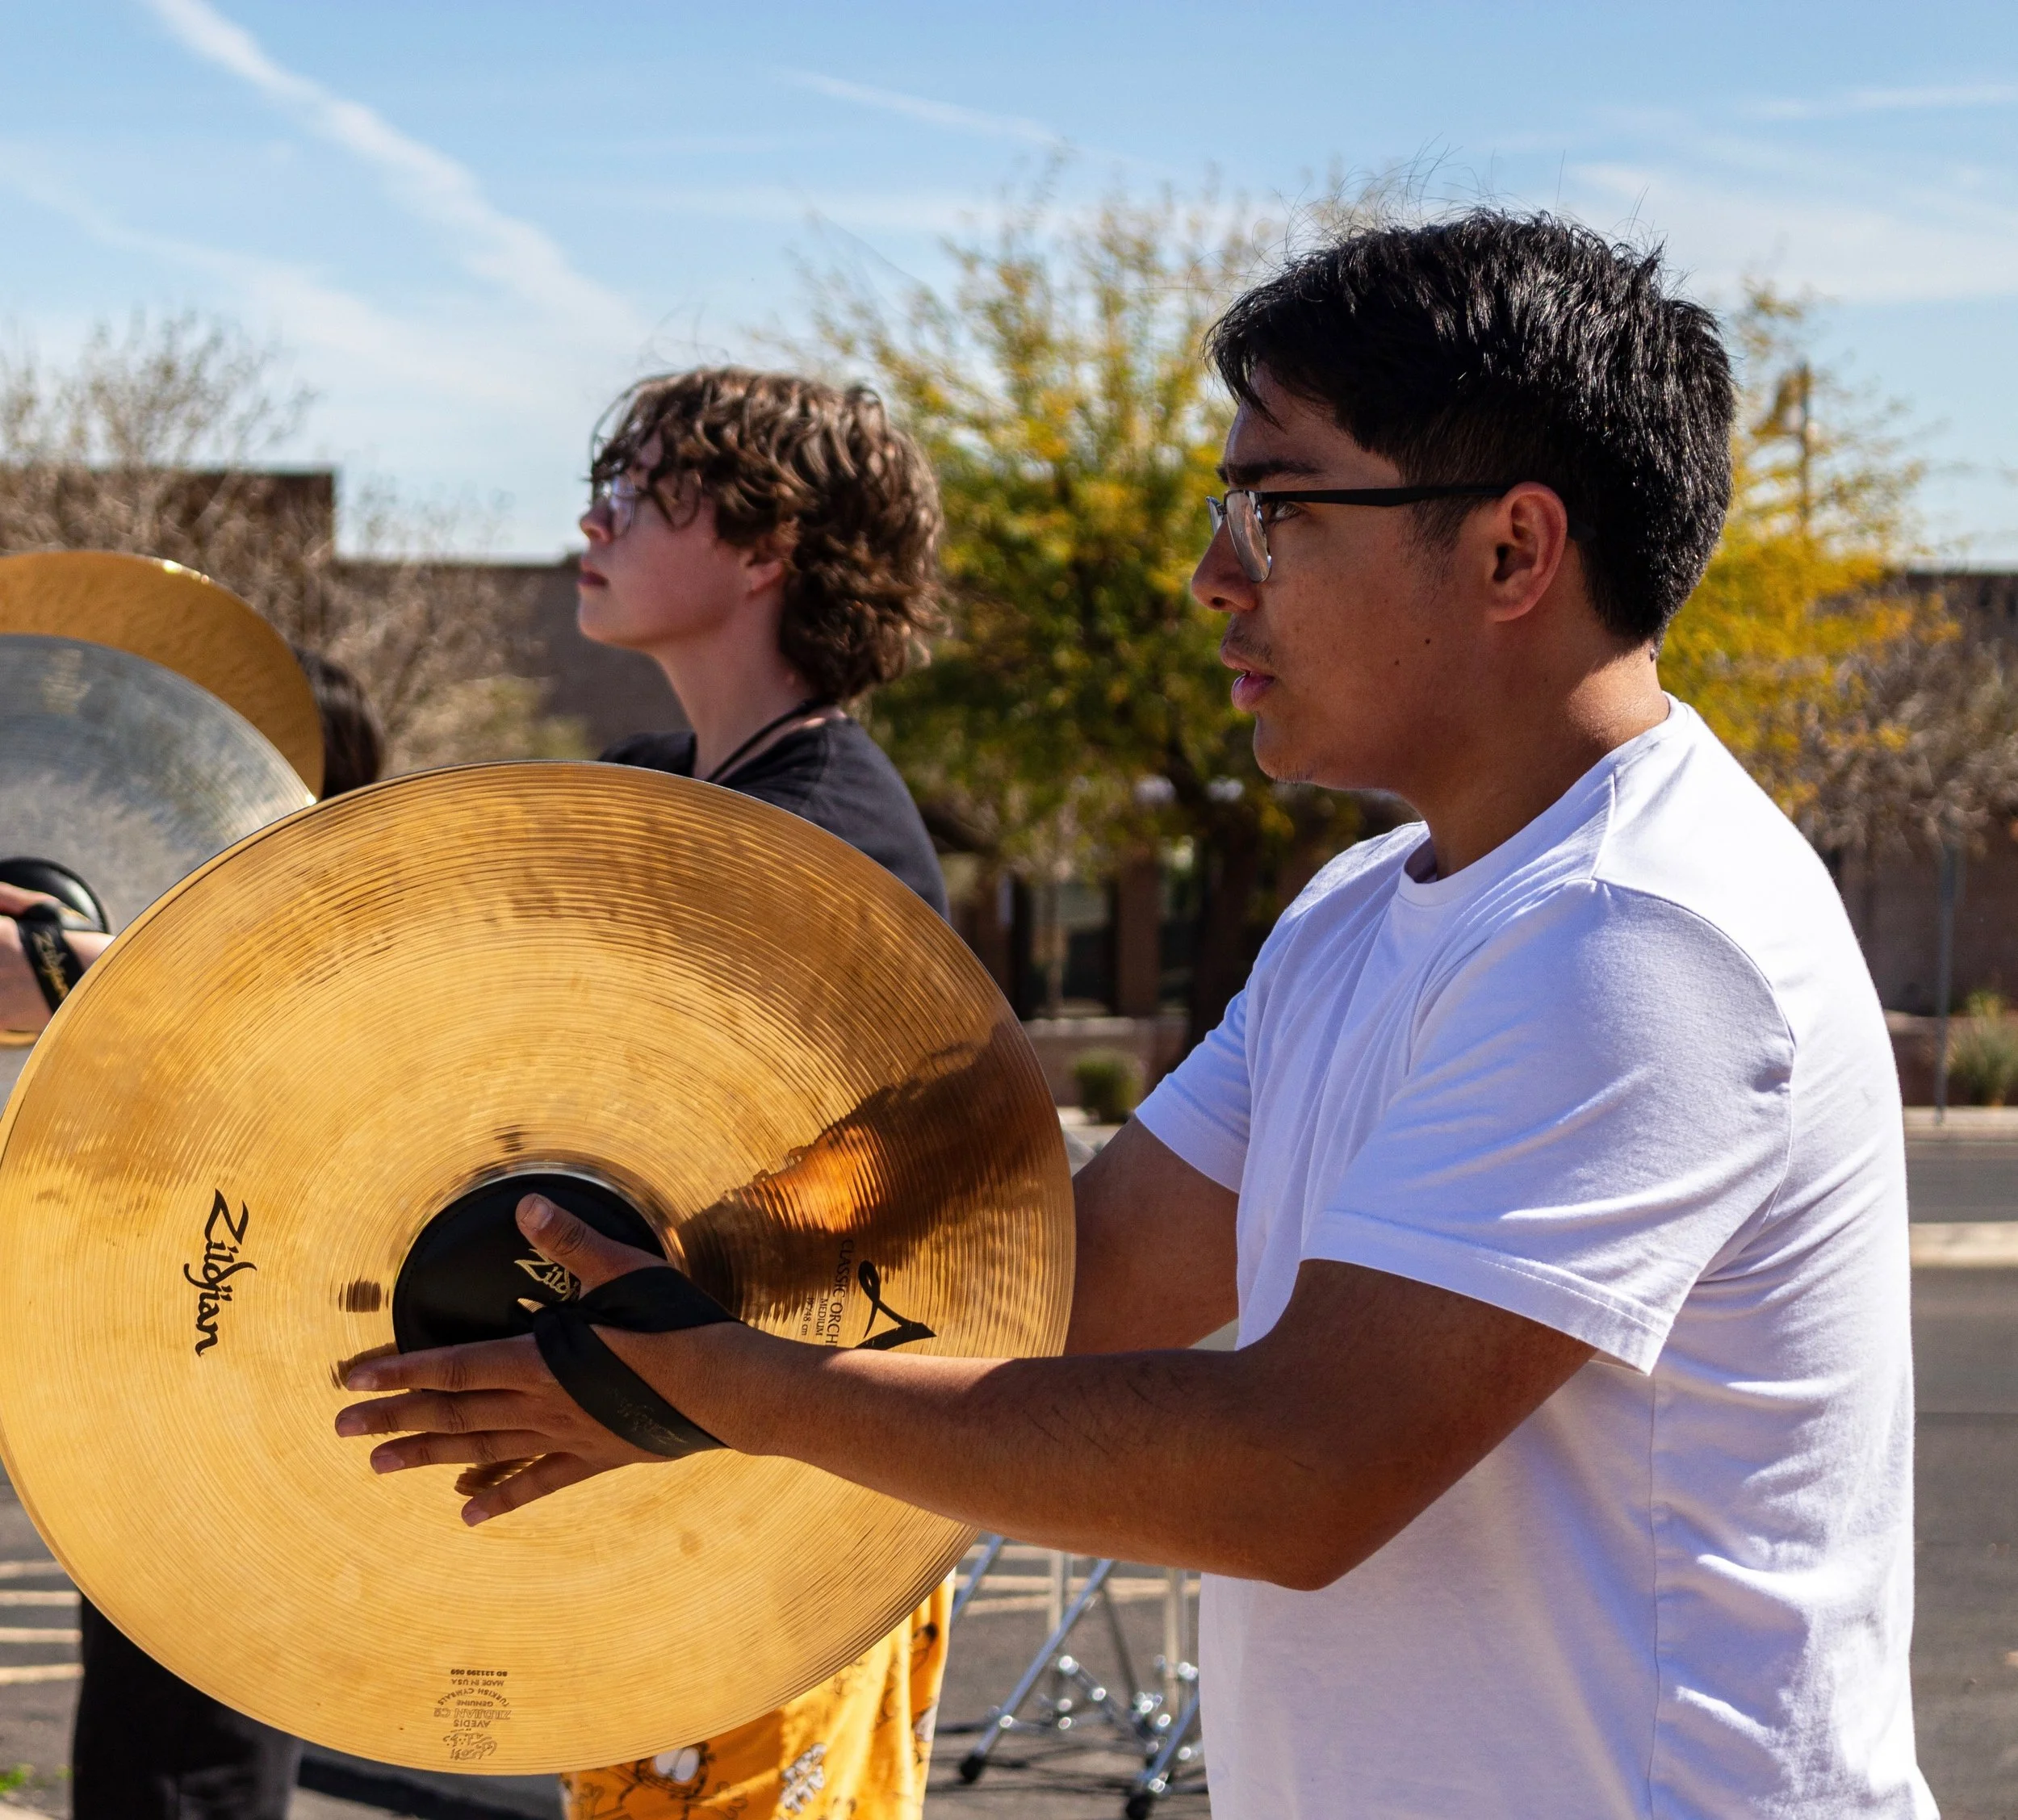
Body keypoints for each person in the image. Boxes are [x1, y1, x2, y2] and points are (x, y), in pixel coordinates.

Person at [339, 213, 1932, 1818]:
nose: (1211, 576)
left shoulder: (1637, 937)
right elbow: (1059, 1288)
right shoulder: (1356, 913)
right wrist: (622, 1314)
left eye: (1276, 508)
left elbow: (1297, 1467)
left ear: (1512, 551)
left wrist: (730, 1383)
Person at [566, 367, 949, 1818]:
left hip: (770, 1502)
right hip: (671, 1464)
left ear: (763, 545)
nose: (586, 521)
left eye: (635, 488)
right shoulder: (666, 783)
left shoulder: (823, 840)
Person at [0, 646, 383, 1820]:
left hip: (235, 1414)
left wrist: (65, 964)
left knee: (184, 1767)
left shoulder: (333, 952)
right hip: (153, 1415)